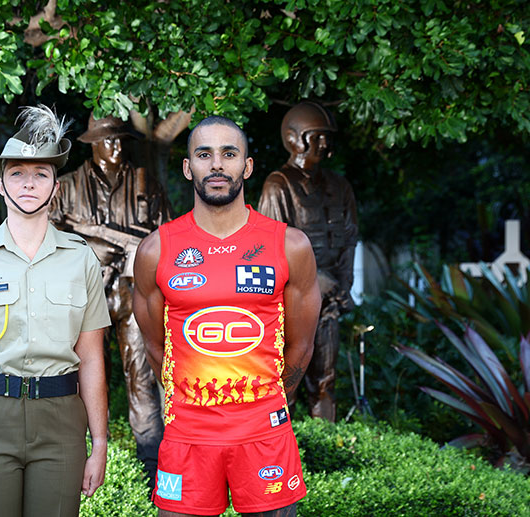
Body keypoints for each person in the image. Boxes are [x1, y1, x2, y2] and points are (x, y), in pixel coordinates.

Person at [133, 116, 321, 516]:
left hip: (264, 435)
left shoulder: (289, 245)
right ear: (188, 168)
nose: (216, 165)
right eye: (204, 154)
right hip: (188, 435)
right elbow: (154, 346)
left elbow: (301, 345)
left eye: (229, 154)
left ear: (247, 166)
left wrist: (264, 403)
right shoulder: (156, 251)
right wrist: (188, 398)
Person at [0, 105, 111, 517]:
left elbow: (91, 358)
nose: (28, 184)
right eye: (17, 173)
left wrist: (99, 443)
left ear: (55, 187)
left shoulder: (81, 258)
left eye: (40, 174)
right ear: (0, 184)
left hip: (61, 418)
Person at [50, 114, 170, 483]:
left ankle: (153, 464)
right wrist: (92, 245)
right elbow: (45, 236)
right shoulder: (67, 187)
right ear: (92, 144)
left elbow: (168, 237)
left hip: (136, 293)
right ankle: (72, 461)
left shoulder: (145, 182)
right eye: (108, 141)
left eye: (121, 140)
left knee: (143, 376)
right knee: (75, 375)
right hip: (83, 295)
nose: (116, 147)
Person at [257, 101, 358, 421]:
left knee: (326, 379)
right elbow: (270, 249)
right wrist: (314, 281)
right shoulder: (279, 185)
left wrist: (343, 286)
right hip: (290, 303)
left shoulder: (340, 187)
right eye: (318, 136)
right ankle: (277, 448)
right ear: (294, 139)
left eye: (328, 137)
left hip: (328, 301)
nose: (326, 144)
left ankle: (327, 446)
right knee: (287, 380)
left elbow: (349, 239)